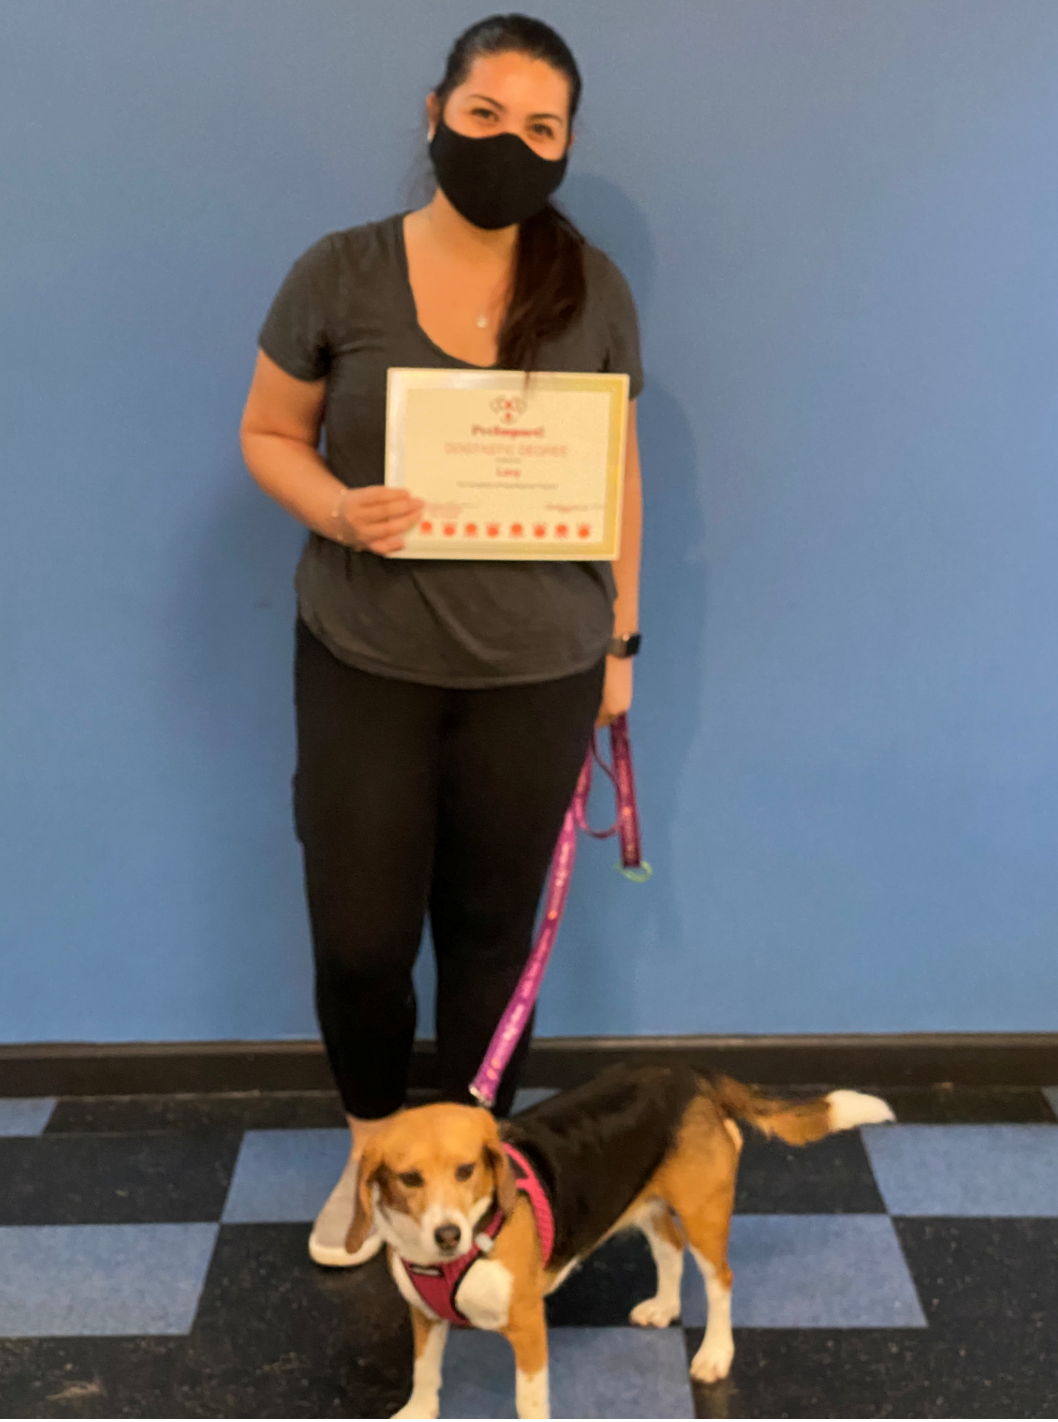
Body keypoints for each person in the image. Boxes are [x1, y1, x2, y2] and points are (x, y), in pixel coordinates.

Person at [239, 12, 644, 1268]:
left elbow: (616, 470)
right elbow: (268, 434)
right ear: (434, 115)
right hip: (364, 660)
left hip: (540, 671)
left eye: (540, 128)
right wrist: (336, 509)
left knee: (488, 940)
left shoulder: (591, 287)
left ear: (565, 146)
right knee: (361, 939)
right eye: (484, 115)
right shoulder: (340, 272)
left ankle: (470, 1172)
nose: (508, 144)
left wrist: (621, 645)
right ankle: (376, 1162)